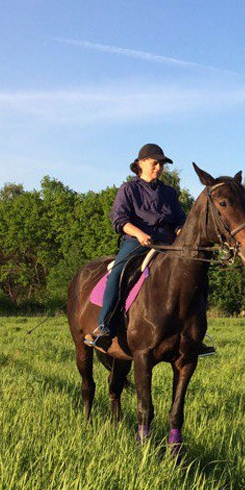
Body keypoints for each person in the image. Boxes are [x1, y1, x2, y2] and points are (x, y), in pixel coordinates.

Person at [85, 143, 185, 349]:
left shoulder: (170, 193)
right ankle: (104, 328)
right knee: (118, 272)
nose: (159, 168)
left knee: (191, 273)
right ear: (141, 163)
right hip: (137, 243)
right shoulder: (128, 189)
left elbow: (180, 221)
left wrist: (181, 231)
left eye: (162, 165)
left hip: (167, 245)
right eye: (155, 163)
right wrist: (139, 233)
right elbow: (119, 220)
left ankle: (193, 334)